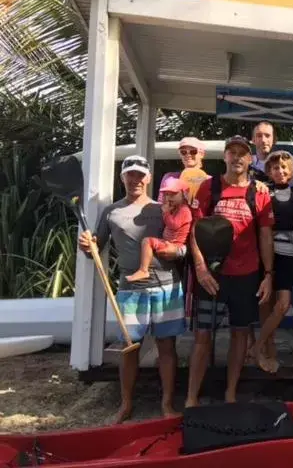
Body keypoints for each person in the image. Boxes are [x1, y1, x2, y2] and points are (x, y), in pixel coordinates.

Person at [77, 155, 187, 423]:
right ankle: (126, 404)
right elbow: (96, 249)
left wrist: (179, 251)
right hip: (130, 289)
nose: (135, 180)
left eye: (140, 175)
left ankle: (167, 404)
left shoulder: (164, 208)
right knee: (130, 349)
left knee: (167, 347)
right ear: (122, 178)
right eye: (130, 174)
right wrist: (86, 245)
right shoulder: (111, 212)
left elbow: (182, 242)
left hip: (166, 284)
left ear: (149, 178)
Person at [186, 135, 275, 405]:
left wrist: (268, 275)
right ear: (224, 156)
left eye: (242, 153)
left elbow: (266, 235)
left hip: (246, 275)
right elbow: (194, 231)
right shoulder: (207, 188)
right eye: (232, 152)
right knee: (202, 337)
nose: (237, 157)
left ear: (250, 159)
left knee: (239, 334)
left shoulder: (259, 192)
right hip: (211, 275)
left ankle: (231, 394)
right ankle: (191, 399)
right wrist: (200, 268)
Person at [247, 150, 293, 373]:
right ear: (269, 171)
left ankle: (256, 347)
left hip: (289, 253)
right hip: (266, 252)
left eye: (284, 167)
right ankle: (268, 351)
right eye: (275, 168)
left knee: (282, 304)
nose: (280, 171)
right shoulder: (262, 191)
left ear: (292, 171)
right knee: (265, 304)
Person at [126, 178, 192, 282]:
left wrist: (165, 213)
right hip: (169, 244)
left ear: (184, 194)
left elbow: (174, 225)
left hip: (175, 245)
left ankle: (143, 270)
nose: (169, 197)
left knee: (147, 241)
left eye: (173, 194)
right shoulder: (175, 208)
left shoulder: (184, 210)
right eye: (166, 194)